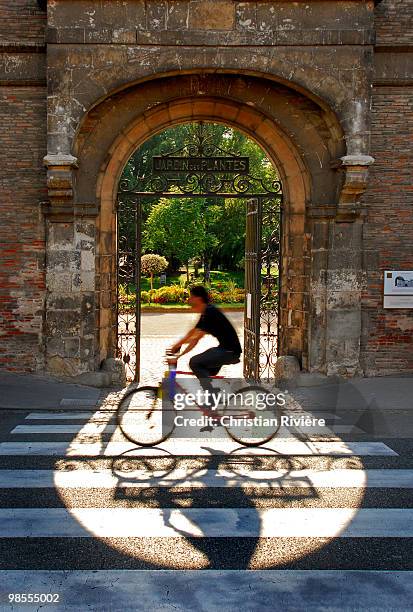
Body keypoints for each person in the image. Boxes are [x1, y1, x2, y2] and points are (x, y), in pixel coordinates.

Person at [170, 285, 242, 405]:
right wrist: (177, 346)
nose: (189, 300)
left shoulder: (210, 312)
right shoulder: (206, 311)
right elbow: (192, 333)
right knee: (203, 371)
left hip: (229, 352)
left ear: (198, 298)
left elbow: (195, 339)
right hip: (225, 349)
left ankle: (212, 396)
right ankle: (213, 414)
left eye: (191, 297)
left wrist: (179, 354)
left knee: (195, 362)